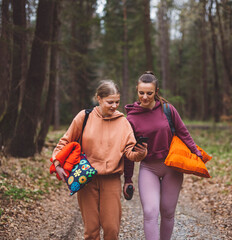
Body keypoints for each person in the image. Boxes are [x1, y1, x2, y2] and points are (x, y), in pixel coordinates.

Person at [51, 80, 147, 240]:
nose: (114, 106)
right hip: (86, 180)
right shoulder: (85, 117)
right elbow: (65, 141)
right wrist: (57, 163)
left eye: (117, 102)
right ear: (99, 98)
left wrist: (141, 152)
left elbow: (130, 154)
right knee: (91, 230)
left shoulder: (123, 122)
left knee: (111, 229)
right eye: (110, 102)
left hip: (111, 180)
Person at [123, 71, 203, 240]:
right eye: (141, 93)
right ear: (137, 91)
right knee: (150, 212)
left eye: (149, 93)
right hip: (148, 168)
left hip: (171, 167)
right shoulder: (131, 118)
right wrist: (128, 179)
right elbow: (128, 151)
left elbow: (183, 132)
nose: (145, 97)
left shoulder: (167, 109)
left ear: (156, 91)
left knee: (167, 211)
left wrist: (196, 152)